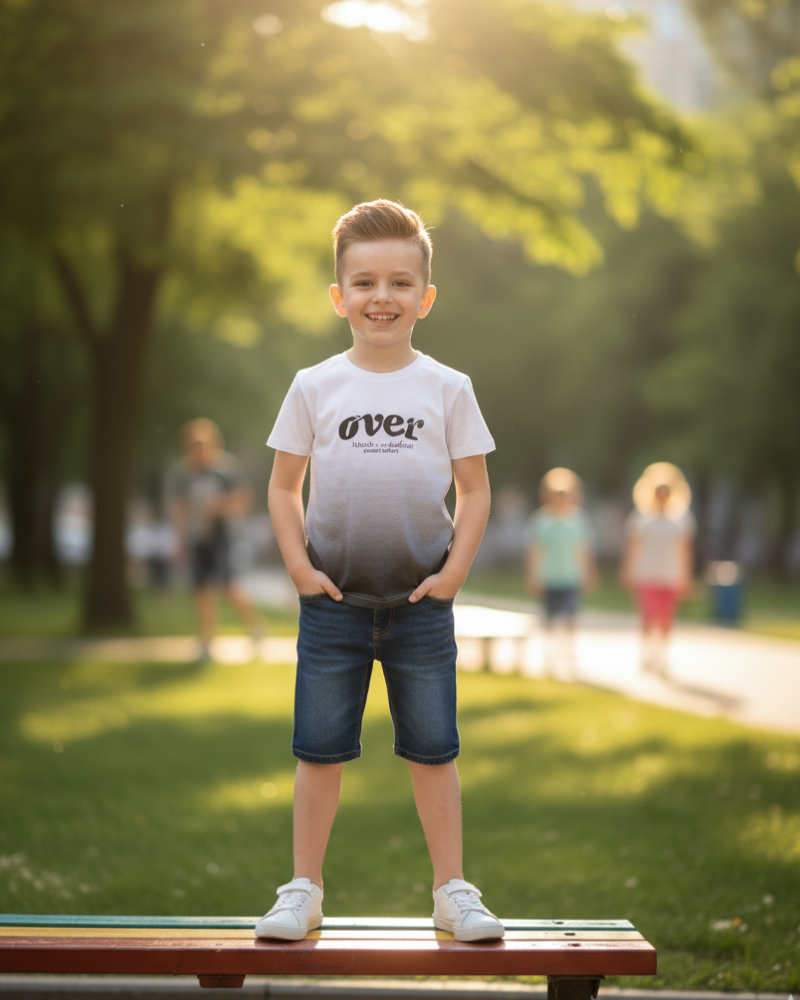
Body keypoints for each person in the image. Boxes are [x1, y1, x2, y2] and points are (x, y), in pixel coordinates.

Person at [258, 200, 503, 944]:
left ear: (425, 297)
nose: (382, 297)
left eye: (401, 282)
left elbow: (476, 488)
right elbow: (281, 485)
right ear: (339, 297)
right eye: (364, 282)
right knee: (318, 751)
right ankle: (303, 889)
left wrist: (454, 575)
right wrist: (299, 568)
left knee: (434, 751)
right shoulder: (314, 385)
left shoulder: (449, 387)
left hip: (420, 603)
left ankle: (452, 890)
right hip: (332, 603)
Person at [169, 418, 263, 662]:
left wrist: (218, 507)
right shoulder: (184, 473)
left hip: (222, 536)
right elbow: (179, 507)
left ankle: (255, 629)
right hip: (197, 536)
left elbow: (244, 499)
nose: (197, 449)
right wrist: (179, 539)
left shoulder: (225, 469)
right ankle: (207, 639)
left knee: (229, 586)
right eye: (193, 444)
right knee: (201, 589)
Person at [619, 462, 695, 676]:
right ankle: (646, 655)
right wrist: (627, 571)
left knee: (666, 618)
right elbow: (632, 547)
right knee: (648, 616)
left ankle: (661, 657)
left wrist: (686, 576)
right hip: (647, 573)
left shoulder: (682, 517)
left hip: (671, 575)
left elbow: (685, 550)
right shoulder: (641, 516)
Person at [523, 468, 597, 678]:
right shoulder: (540, 521)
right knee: (548, 618)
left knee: (570, 618)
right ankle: (549, 656)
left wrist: (590, 573)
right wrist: (532, 576)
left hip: (570, 576)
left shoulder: (579, 520)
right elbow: (533, 551)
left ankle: (569, 653)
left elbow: (584, 550)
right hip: (548, 577)